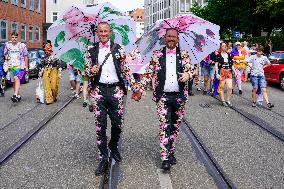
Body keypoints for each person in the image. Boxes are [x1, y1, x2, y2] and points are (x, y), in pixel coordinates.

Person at [86, 22, 140, 176]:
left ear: (110, 32)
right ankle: (103, 157)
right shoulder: (91, 50)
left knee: (117, 124)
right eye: (100, 31)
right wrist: (91, 70)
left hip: (116, 89)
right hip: (98, 90)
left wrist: (135, 85)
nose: (103, 34)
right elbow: (85, 69)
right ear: (97, 33)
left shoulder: (118, 49)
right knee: (100, 126)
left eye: (105, 31)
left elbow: (126, 70)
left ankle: (113, 145)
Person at [135, 28, 193, 171]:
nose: (171, 39)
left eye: (174, 36)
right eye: (169, 36)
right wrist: (139, 89)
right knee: (164, 126)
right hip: (163, 97)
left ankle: (171, 151)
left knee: (175, 126)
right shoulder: (157, 55)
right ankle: (165, 157)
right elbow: (148, 74)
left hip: (179, 97)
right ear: (165, 38)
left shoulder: (184, 55)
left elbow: (191, 70)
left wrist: (188, 75)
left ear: (178, 39)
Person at [4, 32, 28, 102]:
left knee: (16, 78)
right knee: (14, 82)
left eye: (15, 37)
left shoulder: (22, 46)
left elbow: (26, 56)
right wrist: (6, 57)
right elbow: (5, 54)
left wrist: (26, 67)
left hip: (19, 66)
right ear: (11, 38)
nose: (14, 39)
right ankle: (18, 95)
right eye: (13, 37)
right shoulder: (8, 45)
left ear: (17, 38)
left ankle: (14, 94)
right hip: (11, 66)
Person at [215, 42, 234, 107]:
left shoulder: (229, 55)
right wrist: (217, 73)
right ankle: (223, 101)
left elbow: (232, 64)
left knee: (230, 87)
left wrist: (235, 72)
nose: (224, 47)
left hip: (228, 72)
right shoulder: (218, 55)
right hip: (222, 72)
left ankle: (228, 100)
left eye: (225, 46)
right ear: (220, 47)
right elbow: (216, 64)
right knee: (221, 87)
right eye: (223, 46)